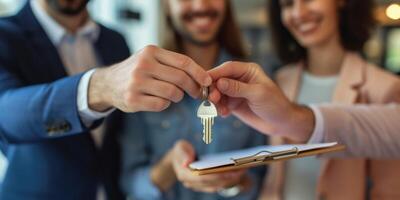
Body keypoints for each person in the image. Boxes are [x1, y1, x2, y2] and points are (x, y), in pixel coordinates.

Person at [0, 0, 212, 199]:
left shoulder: (115, 41)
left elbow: (125, 138)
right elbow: (6, 113)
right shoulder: (6, 35)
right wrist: (99, 87)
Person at [118, 0, 266, 199]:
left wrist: (236, 181)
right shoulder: (144, 84)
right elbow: (130, 183)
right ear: (167, 6)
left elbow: (263, 175)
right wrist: (170, 165)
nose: (200, 5)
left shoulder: (253, 80)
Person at [256, 0, 400, 199]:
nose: (299, 13)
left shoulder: (385, 88)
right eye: (287, 4)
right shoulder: (279, 82)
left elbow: (388, 192)